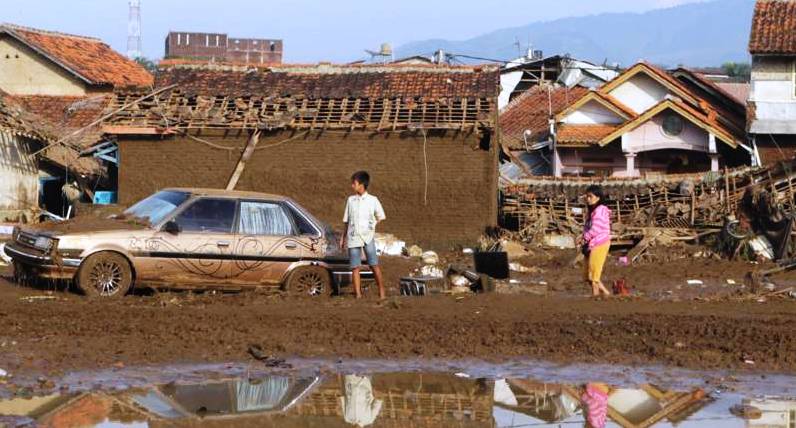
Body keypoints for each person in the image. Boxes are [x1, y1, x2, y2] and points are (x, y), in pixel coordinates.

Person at [342, 171, 386, 299]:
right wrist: (343, 238)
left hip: (367, 237)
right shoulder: (351, 200)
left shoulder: (373, 200)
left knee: (373, 264)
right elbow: (346, 221)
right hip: (353, 237)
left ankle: (382, 292)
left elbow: (381, 216)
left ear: (361, 185)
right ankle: (358, 294)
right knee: (355, 266)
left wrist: (372, 226)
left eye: (354, 183)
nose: (352, 186)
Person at [577, 185, 612, 297]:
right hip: (592, 244)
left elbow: (596, 229)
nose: (588, 199)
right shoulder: (592, 212)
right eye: (587, 196)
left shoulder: (600, 210)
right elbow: (588, 228)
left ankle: (595, 296)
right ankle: (607, 294)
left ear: (598, 198)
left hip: (600, 243)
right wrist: (582, 236)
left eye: (590, 196)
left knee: (593, 275)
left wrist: (584, 238)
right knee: (589, 275)